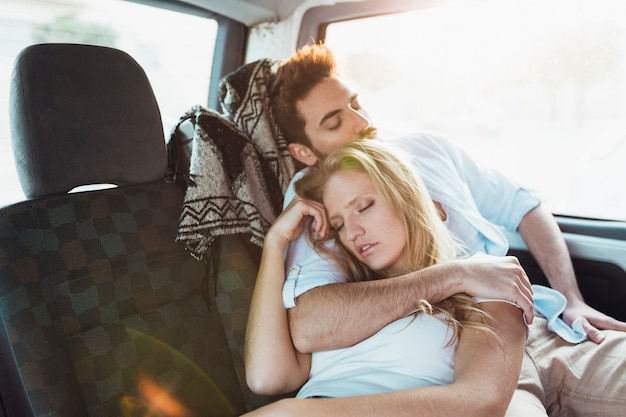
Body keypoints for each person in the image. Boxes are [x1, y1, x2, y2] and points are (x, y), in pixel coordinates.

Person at [269, 43, 626, 355]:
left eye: (356, 103)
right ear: (304, 152)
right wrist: (456, 276)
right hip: (463, 353)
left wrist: (573, 300)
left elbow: (524, 205)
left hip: (536, 323)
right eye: (334, 123)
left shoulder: (427, 148)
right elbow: (312, 325)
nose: (361, 122)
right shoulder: (315, 198)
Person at [244, 139, 528, 416]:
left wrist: (303, 412)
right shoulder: (341, 299)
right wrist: (275, 242)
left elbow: (481, 404)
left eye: (364, 207)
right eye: (338, 225)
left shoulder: (485, 279)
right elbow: (266, 378)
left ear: (406, 194)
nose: (352, 232)